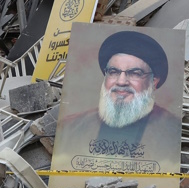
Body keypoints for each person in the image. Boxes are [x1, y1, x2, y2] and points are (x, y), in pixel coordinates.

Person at [55, 30, 181, 167]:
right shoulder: (71, 127)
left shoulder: (172, 131)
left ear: (154, 82)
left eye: (135, 73)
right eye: (113, 72)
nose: (121, 82)